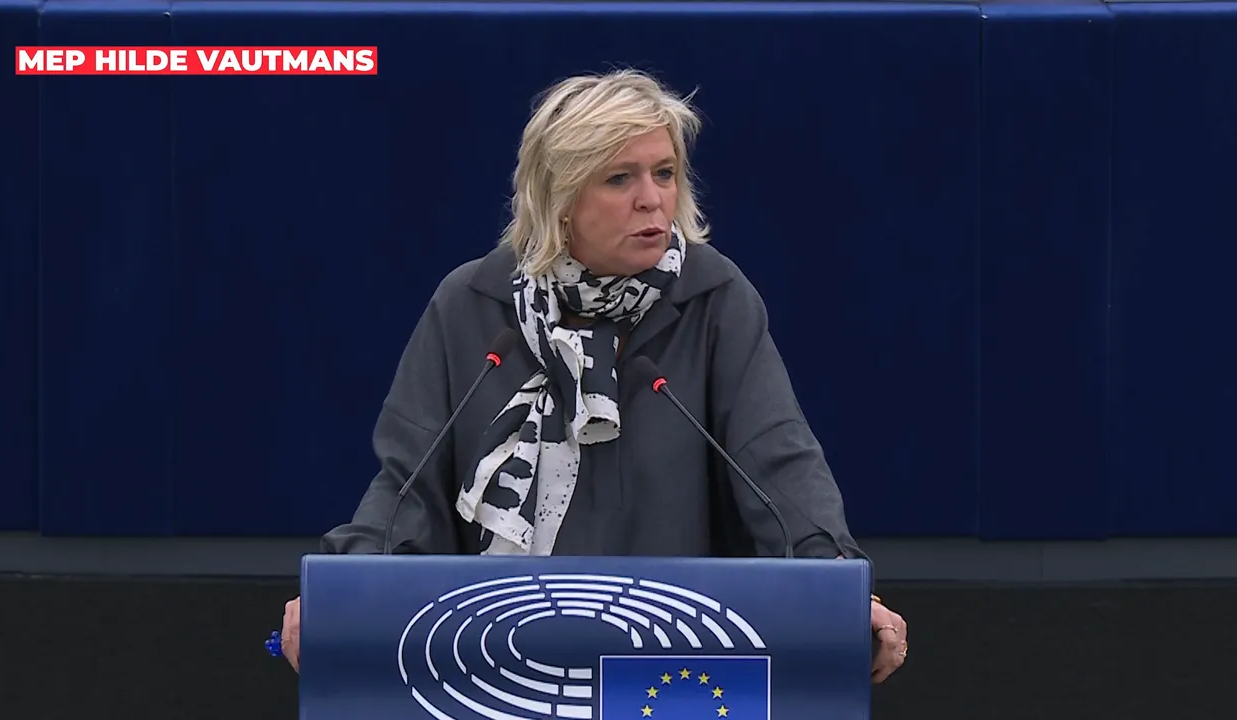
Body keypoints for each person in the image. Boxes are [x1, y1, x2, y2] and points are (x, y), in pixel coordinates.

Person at [280, 69, 908, 683]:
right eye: (619, 178)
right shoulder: (472, 305)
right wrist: (346, 587)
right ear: (558, 200)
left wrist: (838, 583)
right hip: (494, 654)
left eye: (664, 173)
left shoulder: (712, 298)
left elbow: (778, 467)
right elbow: (406, 486)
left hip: (669, 661)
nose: (652, 198)